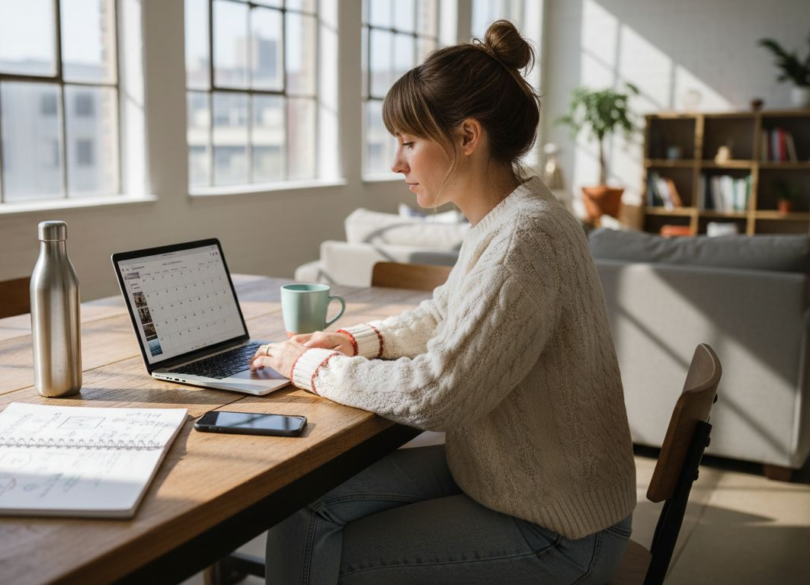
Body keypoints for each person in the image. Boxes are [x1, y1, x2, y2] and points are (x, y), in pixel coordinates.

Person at [248, 19, 637, 585]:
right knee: (299, 506)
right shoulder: (508, 216)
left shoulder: (523, 238)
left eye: (409, 142)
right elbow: (442, 314)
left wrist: (309, 366)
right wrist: (354, 340)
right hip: (503, 476)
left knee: (322, 554)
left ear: (467, 137)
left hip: (559, 525)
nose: (396, 162)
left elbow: (436, 394)